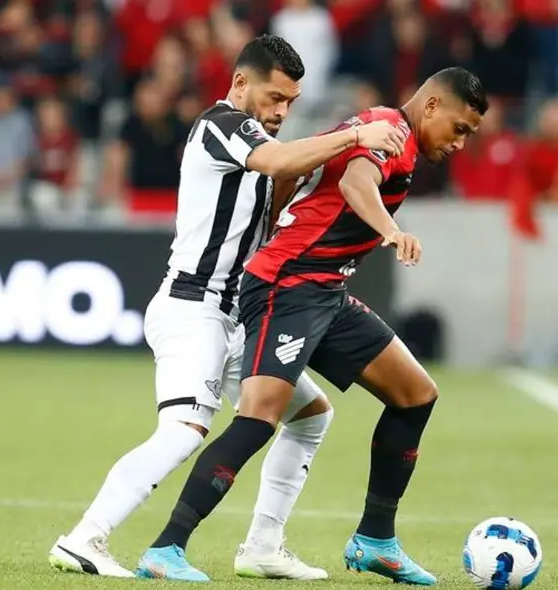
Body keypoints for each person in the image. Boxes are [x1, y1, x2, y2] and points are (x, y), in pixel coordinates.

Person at [48, 34, 407, 579]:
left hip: (236, 315)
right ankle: (84, 539)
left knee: (310, 416)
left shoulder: (259, 140)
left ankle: (264, 545)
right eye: (274, 97)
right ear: (240, 83)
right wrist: (355, 134)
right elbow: (280, 159)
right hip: (193, 307)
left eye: (290, 101)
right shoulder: (222, 125)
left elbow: (284, 175)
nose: (281, 111)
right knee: (183, 430)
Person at [136, 66, 487, 585]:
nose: (460, 143)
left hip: (324, 290)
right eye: (460, 128)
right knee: (259, 417)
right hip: (288, 286)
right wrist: (391, 231)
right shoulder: (389, 129)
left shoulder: (388, 132)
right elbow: (355, 180)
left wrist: (284, 219)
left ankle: (375, 540)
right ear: (432, 106)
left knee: (415, 393)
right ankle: (165, 549)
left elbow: (291, 174)